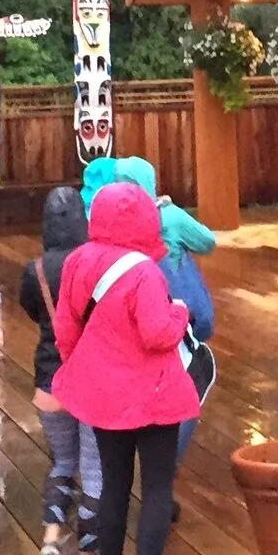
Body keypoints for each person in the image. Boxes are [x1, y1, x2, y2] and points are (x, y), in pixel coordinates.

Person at [53, 181, 197, 555]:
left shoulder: (77, 261)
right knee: (156, 488)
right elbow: (157, 333)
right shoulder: (144, 271)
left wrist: (85, 369)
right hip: (153, 395)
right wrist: (180, 312)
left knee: (114, 484)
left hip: (103, 394)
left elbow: (65, 328)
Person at [86, 156, 215, 459]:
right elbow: (207, 242)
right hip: (175, 316)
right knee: (189, 382)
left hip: (130, 318)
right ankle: (166, 458)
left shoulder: (107, 222)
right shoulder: (168, 217)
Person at [19, 187, 103, 555]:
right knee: (94, 470)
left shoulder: (34, 270)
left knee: (63, 464)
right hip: (91, 380)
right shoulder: (95, 264)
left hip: (49, 379)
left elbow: (31, 308)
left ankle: (51, 538)